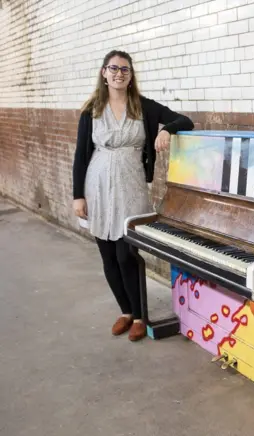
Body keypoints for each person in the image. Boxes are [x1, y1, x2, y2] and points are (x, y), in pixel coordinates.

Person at [72, 50, 194, 342]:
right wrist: (78, 195)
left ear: (130, 75)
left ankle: (140, 315)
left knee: (126, 253)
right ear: (104, 73)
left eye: (124, 69)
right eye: (113, 68)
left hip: (130, 186)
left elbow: (184, 121)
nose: (119, 73)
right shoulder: (91, 110)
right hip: (97, 186)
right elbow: (80, 156)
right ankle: (125, 311)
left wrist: (167, 132)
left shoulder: (144, 107)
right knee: (107, 255)